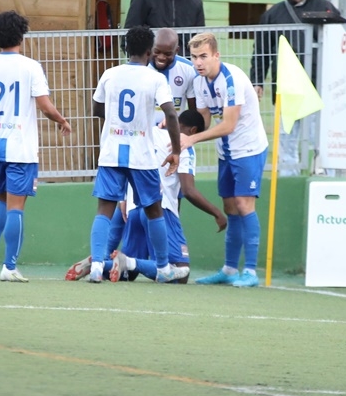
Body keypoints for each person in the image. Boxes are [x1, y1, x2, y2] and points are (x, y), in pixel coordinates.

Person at [0, 11, 72, 283]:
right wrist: (61, 120)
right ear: (21, 35)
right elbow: (44, 104)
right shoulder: (30, 67)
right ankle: (10, 266)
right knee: (16, 206)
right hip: (20, 149)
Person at [66, 109, 226, 283]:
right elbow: (189, 190)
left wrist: (124, 199)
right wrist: (217, 213)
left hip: (134, 209)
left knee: (128, 274)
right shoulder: (183, 147)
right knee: (180, 273)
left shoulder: (150, 134)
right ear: (193, 131)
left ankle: (100, 265)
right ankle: (125, 261)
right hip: (159, 210)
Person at [87, 25, 183, 284]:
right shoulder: (155, 79)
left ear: (125, 49)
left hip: (112, 153)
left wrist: (118, 124)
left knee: (104, 210)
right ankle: (163, 268)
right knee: (154, 209)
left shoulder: (110, 74)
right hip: (142, 155)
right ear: (150, 52)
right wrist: (175, 151)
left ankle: (97, 264)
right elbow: (171, 114)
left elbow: (96, 107)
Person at [182, 32, 269, 287]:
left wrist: (192, 140)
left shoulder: (231, 80)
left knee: (244, 205)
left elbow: (229, 125)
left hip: (248, 149)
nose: (198, 62)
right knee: (231, 208)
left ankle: (251, 272)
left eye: (204, 56)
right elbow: (205, 119)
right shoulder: (199, 81)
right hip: (227, 151)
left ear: (216, 55)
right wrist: (181, 129)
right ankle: (230, 270)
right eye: (194, 57)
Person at [249, 0, 344, 176]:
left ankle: (328, 183)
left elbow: (341, 46)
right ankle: (289, 186)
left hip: (320, 89)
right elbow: (261, 50)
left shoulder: (326, 9)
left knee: (322, 144)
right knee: (287, 148)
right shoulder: (273, 14)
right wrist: (257, 81)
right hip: (287, 91)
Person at [149, 27, 198, 125]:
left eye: (167, 54)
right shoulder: (142, 67)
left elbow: (193, 110)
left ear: (176, 50)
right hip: (146, 134)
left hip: (174, 134)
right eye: (157, 52)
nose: (161, 57)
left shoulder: (188, 69)